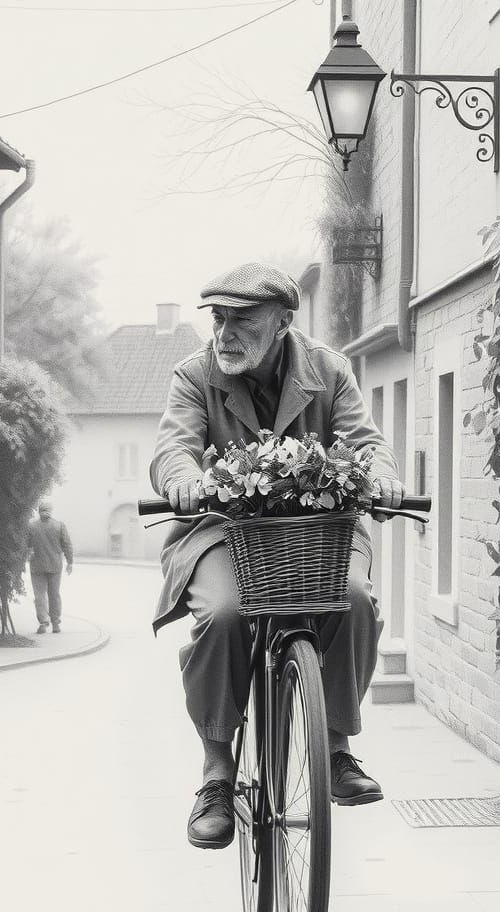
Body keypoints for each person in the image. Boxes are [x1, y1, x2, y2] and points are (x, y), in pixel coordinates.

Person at [149, 262, 405, 850]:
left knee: (355, 598)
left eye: (243, 319)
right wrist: (182, 478)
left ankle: (336, 746)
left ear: (284, 321)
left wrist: (382, 477)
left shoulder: (329, 371)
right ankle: (217, 770)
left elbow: (364, 442)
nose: (225, 332)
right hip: (223, 530)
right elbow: (174, 445)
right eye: (219, 318)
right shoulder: (195, 375)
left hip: (319, 531)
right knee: (224, 613)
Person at [27, 500, 74, 635]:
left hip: (37, 566)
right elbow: (67, 545)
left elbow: (26, 545)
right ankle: (55, 623)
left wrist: (28, 555)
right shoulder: (59, 526)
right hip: (55, 565)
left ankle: (43, 622)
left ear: (39, 511)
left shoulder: (31, 526)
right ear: (50, 511)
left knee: (39, 595)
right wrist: (70, 562)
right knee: (54, 594)